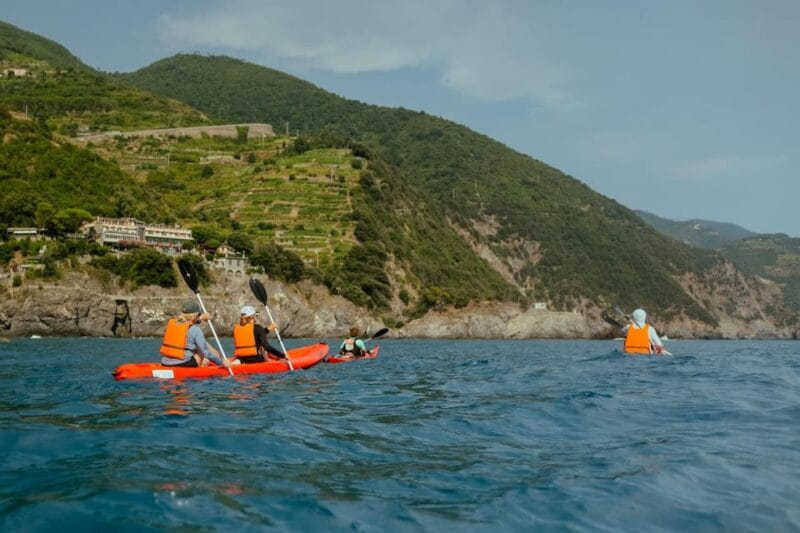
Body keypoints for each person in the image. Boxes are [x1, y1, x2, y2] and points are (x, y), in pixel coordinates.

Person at [160, 300, 231, 368]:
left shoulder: (173, 324)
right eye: (199, 314)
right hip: (183, 364)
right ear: (196, 315)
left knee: (196, 345)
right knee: (203, 347)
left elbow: (188, 322)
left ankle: (209, 361)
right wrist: (222, 363)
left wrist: (200, 318)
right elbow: (206, 353)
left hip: (165, 362)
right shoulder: (195, 330)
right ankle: (210, 364)